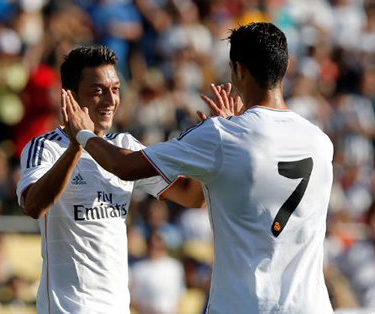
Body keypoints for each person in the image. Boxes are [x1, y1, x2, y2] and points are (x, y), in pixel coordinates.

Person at [63, 22, 334, 313]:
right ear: (286, 66)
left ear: (238, 70)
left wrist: (83, 133)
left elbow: (123, 166)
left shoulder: (221, 136)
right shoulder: (320, 142)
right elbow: (205, 193)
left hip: (246, 306)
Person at [16, 46, 203, 313]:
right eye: (97, 90)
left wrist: (212, 144)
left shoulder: (125, 147)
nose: (110, 100)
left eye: (115, 89)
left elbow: (190, 196)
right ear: (69, 97)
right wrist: (77, 145)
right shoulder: (45, 147)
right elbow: (33, 206)